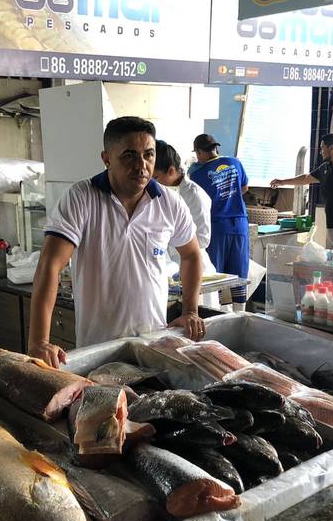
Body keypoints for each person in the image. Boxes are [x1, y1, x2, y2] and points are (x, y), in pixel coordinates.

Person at [28, 117, 204, 368]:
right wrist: (38, 341)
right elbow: (50, 265)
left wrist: (190, 311)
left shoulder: (169, 203)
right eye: (129, 156)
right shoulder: (82, 198)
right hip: (97, 350)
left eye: (149, 155)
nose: (141, 166)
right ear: (107, 158)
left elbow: (191, 255)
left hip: (153, 344)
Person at [188, 133, 250, 310]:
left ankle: (223, 315)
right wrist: (230, 197)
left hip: (217, 226)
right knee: (239, 270)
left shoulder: (198, 174)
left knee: (217, 273)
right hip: (239, 224)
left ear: (200, 152)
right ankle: (241, 314)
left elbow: (197, 200)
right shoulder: (235, 163)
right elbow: (244, 187)